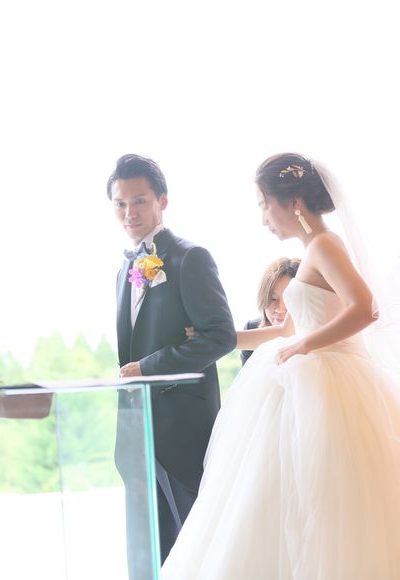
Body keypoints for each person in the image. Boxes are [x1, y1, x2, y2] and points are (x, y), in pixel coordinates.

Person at [161, 153, 400, 579]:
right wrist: (218, 337)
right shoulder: (313, 251)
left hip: (332, 383)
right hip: (310, 374)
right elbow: (285, 329)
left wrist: (306, 344)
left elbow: (365, 308)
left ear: (293, 203)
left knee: (326, 498)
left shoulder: (325, 244)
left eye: (264, 204)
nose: (263, 219)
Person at [108, 153, 236, 577]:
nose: (130, 212)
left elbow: (220, 336)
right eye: (120, 204)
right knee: (149, 559)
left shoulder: (190, 258)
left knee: (198, 553)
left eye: (139, 201)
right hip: (137, 435)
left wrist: (149, 366)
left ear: (162, 201)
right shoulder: (124, 269)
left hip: (184, 433)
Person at [240, 257, 300, 365]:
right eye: (273, 299)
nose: (280, 309)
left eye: (288, 299)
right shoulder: (252, 328)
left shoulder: (314, 332)